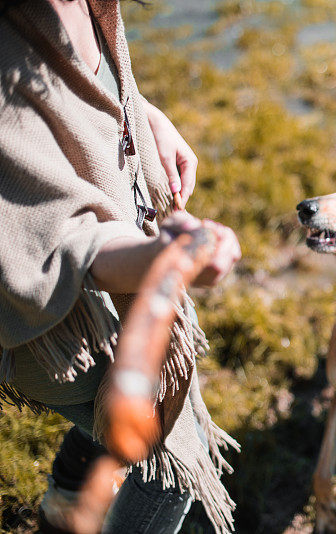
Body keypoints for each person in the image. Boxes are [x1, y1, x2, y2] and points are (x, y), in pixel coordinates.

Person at [0, 0, 242, 532]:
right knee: (171, 462)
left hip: (120, 263)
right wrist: (165, 261)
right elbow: (50, 245)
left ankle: (66, 499)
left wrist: (142, 112)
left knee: (124, 409)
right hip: (63, 324)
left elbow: (79, 90)